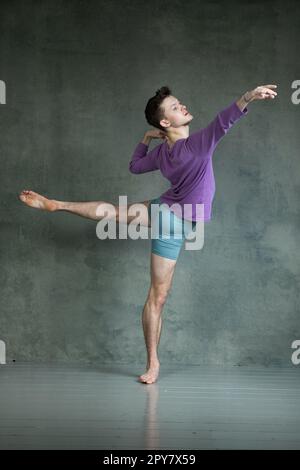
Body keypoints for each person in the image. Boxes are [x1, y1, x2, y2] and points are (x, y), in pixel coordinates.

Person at [19, 84, 277, 384]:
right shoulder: (199, 144)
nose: (182, 106)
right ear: (166, 122)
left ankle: (57, 205)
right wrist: (249, 96)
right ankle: (153, 364)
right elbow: (225, 120)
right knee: (157, 297)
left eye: (180, 102)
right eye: (174, 107)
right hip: (172, 221)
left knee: (116, 215)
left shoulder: (163, 152)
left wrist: (145, 139)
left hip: (164, 209)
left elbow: (135, 166)